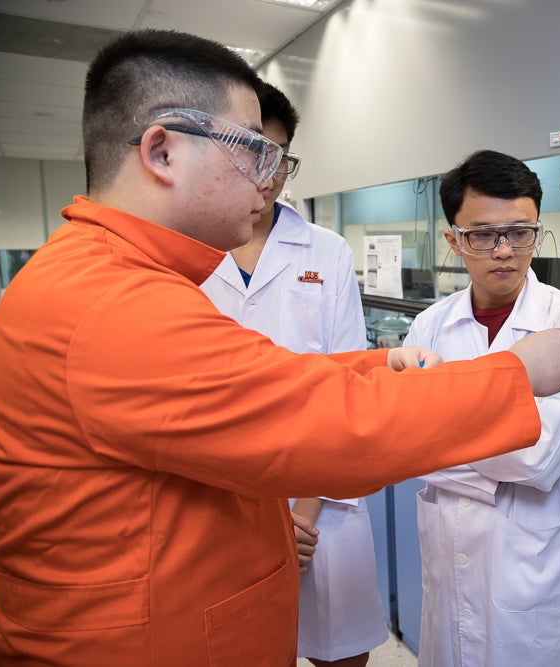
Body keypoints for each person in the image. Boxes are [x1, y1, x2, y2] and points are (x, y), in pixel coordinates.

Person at [0, 29, 560, 667]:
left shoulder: (119, 276)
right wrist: (515, 374)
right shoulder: (111, 301)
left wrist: (379, 363)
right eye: (252, 152)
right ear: (163, 152)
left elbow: (263, 381)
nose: (269, 181)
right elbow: (323, 423)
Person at [200, 83, 386, 667]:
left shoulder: (326, 251)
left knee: (341, 654)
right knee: (250, 648)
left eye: (278, 156)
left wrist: (301, 513)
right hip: (225, 507)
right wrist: (262, 519)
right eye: (251, 153)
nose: (266, 174)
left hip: (321, 501)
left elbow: (348, 383)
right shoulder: (189, 253)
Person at [402, 150, 560, 666]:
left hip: (534, 577)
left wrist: (435, 430)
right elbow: (405, 444)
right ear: (454, 240)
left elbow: (536, 459)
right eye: (483, 236)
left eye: (520, 233)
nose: (505, 251)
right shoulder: (429, 326)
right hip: (452, 567)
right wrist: (441, 437)